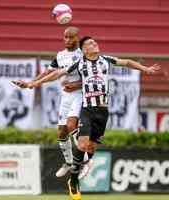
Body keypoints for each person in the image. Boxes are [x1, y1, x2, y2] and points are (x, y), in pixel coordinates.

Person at [15, 36, 160, 200]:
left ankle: (83, 163)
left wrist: (144, 69)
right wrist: (32, 84)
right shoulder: (80, 64)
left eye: (95, 42)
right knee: (82, 144)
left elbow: (126, 62)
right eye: (90, 43)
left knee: (91, 147)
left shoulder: (106, 60)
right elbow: (57, 73)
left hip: (103, 111)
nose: (95, 43)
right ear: (84, 50)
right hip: (87, 109)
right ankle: (74, 181)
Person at [13, 26, 92, 179]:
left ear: (77, 38)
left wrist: (76, 85)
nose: (68, 40)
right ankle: (70, 163)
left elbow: (92, 78)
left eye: (71, 37)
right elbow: (48, 72)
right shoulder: (60, 55)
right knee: (62, 131)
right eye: (65, 37)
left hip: (80, 94)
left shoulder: (83, 54)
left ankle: (86, 161)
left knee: (71, 126)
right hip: (66, 96)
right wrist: (30, 82)